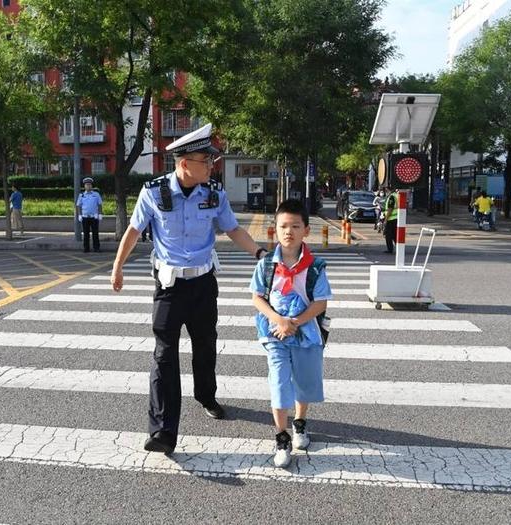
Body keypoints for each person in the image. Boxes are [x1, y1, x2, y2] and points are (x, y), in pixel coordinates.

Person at [111, 123, 266, 455]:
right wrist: (118, 266)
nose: (211, 166)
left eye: (211, 160)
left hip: (203, 284)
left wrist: (259, 253)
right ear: (184, 163)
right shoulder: (153, 192)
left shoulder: (214, 193)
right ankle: (162, 431)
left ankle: (206, 395)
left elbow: (233, 229)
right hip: (168, 285)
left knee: (205, 347)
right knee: (164, 355)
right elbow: (134, 232)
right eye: (204, 160)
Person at [250, 199, 332, 468]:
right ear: (275, 229)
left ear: (306, 230)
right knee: (279, 381)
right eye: (284, 226)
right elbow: (257, 298)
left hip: (306, 332)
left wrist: (294, 321)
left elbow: (320, 302)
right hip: (274, 333)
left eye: (295, 226)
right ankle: (281, 436)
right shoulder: (266, 266)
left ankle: (300, 423)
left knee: (304, 381)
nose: (289, 231)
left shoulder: (316, 266)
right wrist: (277, 319)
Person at [76, 177, 103, 253]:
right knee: (86, 234)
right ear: (84, 186)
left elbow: (100, 204)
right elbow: (78, 205)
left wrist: (100, 214)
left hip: (94, 217)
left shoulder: (96, 194)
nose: (88, 186)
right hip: (85, 217)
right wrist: (79, 215)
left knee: (95, 233)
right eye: (87, 185)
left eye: (90, 184)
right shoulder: (81, 195)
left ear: (92, 186)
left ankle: (96, 248)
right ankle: (86, 248)